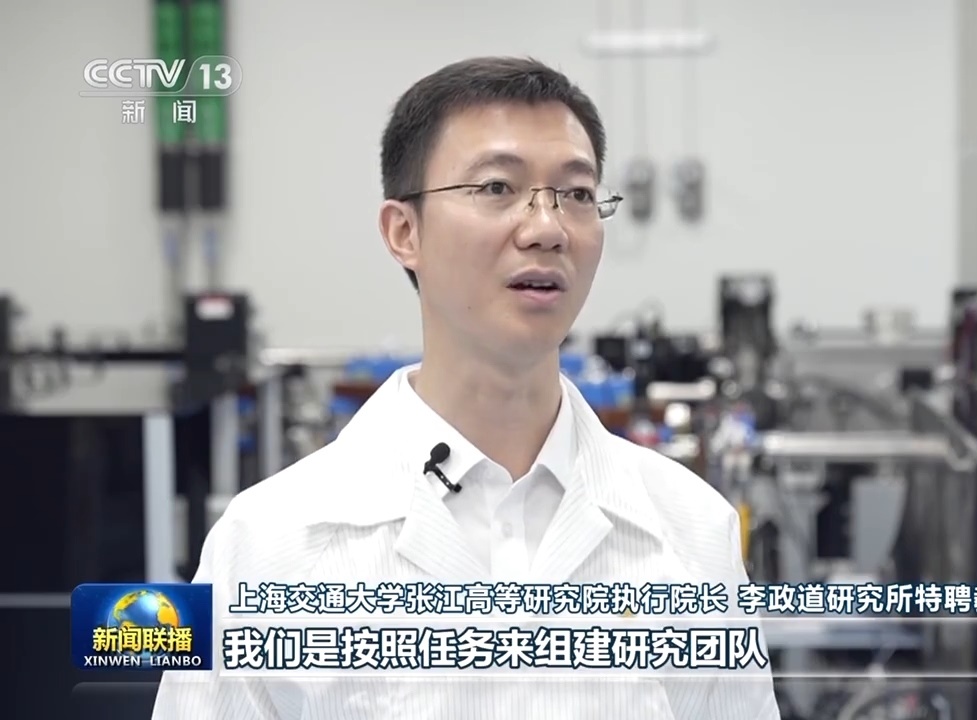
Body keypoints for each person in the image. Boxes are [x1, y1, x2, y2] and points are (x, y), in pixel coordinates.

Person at [152, 56, 780, 720]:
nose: (547, 228)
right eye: (496, 187)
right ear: (404, 232)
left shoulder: (690, 530)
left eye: (576, 194)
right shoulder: (269, 545)